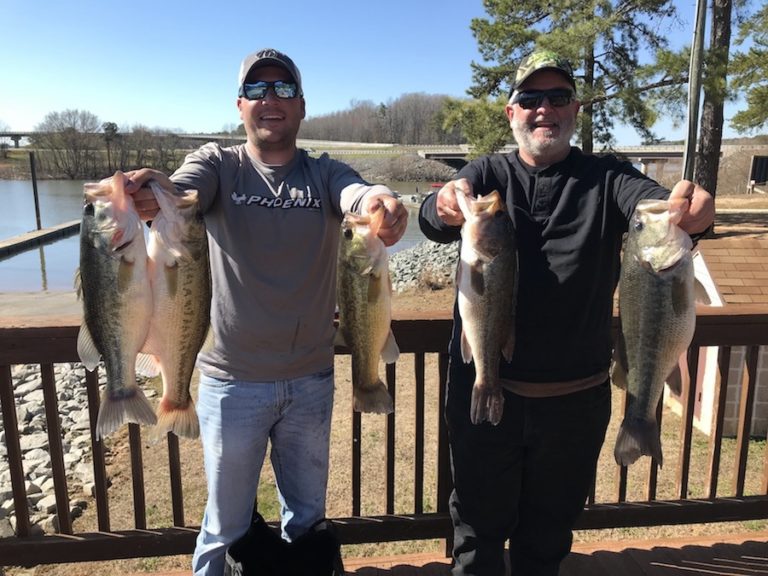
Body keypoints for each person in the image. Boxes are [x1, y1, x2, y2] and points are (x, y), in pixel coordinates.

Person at [418, 49, 714, 576]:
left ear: (575, 111)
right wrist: (439, 202)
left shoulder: (606, 177)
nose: (543, 110)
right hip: (487, 395)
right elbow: (437, 212)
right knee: (476, 536)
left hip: (574, 405)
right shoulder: (487, 175)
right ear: (511, 114)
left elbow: (651, 207)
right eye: (529, 99)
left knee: (547, 537)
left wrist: (688, 212)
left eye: (557, 98)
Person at [125, 48, 408, 576]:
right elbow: (181, 190)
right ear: (240, 106)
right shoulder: (218, 165)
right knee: (224, 525)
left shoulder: (323, 173)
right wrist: (155, 192)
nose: (269, 99)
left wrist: (383, 203)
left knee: (307, 521)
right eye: (257, 90)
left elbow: (360, 193)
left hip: (311, 380)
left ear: (301, 106)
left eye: (282, 89)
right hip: (231, 384)